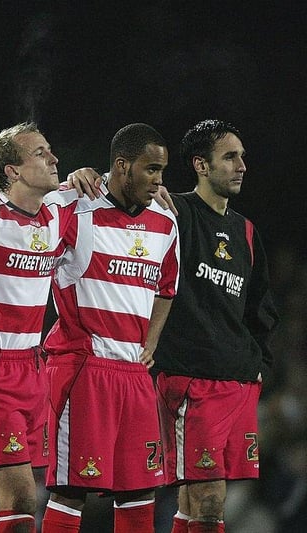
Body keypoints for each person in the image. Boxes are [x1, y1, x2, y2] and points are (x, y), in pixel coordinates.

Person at [40, 123, 179, 533]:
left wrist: (150, 342)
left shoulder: (165, 222)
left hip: (135, 376)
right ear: (122, 166)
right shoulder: (77, 208)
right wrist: (68, 184)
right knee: (71, 492)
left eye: (162, 171)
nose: (158, 180)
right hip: (85, 369)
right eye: (150, 169)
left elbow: (167, 289)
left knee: (139, 495)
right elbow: (30, 219)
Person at [152, 120, 279, 533]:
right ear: (200, 166)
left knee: (198, 503)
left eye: (242, 156)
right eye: (229, 157)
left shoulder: (245, 230)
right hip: (192, 379)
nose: (241, 165)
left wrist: (259, 363)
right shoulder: (176, 213)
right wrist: (92, 179)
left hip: (238, 381)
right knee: (208, 498)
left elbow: (259, 306)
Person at [0, 122, 73, 533]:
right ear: (11, 171)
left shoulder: (58, 213)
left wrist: (90, 176)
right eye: (41, 153)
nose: (54, 159)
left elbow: (108, 189)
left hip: (33, 369)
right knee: (24, 497)